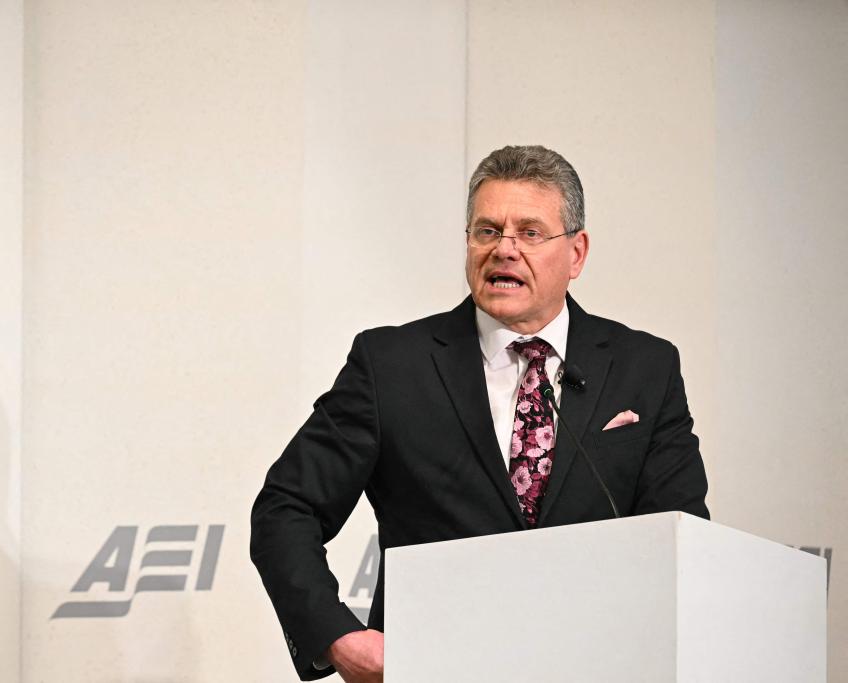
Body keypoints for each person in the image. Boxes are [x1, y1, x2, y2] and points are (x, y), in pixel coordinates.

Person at [250, 145, 709, 682]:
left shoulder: (644, 368)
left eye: (530, 233)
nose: (504, 250)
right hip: (432, 668)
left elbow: (682, 538)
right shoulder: (392, 365)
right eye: (487, 231)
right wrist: (337, 637)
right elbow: (287, 507)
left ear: (576, 253)